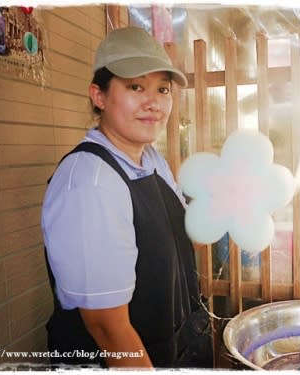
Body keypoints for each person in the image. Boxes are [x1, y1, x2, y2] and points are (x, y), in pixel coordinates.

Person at [41, 26, 213, 369]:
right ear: (99, 96)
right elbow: (107, 328)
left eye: (162, 89)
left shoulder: (152, 161)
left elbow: (173, 243)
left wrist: (223, 207)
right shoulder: (91, 181)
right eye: (136, 87)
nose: (153, 103)